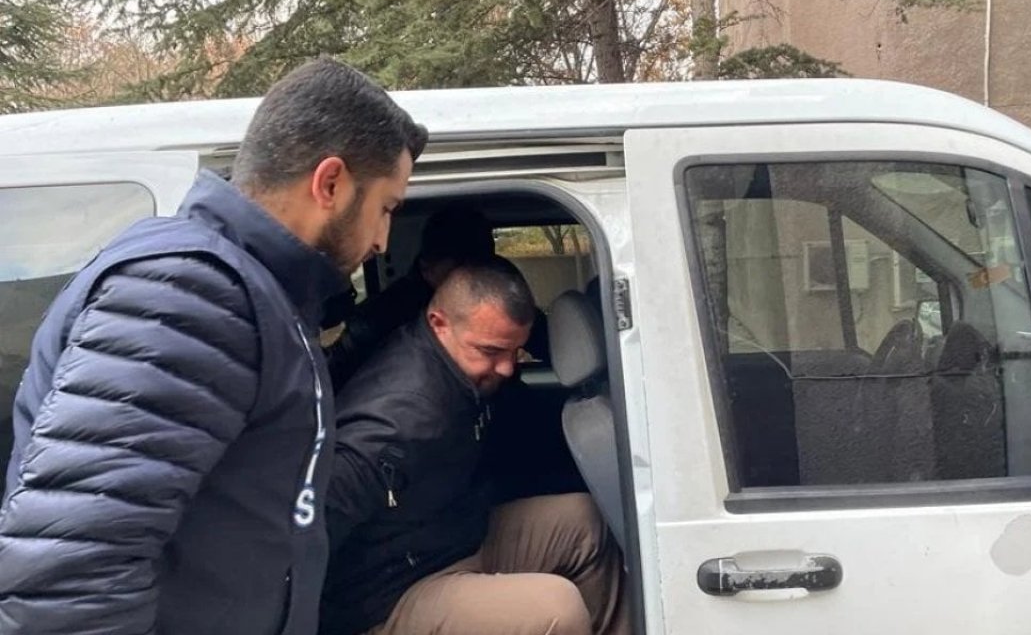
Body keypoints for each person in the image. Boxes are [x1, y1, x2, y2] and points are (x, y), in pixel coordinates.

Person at [0, 57, 427, 635]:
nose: (382, 240)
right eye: (386, 209)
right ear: (329, 183)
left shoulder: (257, 295)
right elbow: (70, 582)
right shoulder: (191, 294)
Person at [322, 257, 628, 635]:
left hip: (455, 539)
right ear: (439, 323)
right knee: (555, 608)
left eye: (515, 352)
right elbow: (314, 524)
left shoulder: (460, 369)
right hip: (391, 594)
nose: (507, 368)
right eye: (491, 352)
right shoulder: (394, 419)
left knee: (587, 522)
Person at [324, 206, 549, 391]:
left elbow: (546, 341)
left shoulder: (495, 298)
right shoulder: (380, 318)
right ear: (429, 266)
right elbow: (338, 379)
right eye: (461, 266)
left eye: (481, 264)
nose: (475, 280)